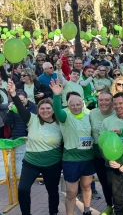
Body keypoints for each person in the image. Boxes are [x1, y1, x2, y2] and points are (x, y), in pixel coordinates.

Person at [7, 81, 62, 215]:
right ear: (38, 110)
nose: (45, 110)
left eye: (48, 108)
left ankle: (53, 212)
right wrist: (13, 94)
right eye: (42, 108)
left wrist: (56, 96)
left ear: (53, 109)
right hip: (31, 163)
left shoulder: (61, 123)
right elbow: (20, 108)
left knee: (52, 191)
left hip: (52, 164)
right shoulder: (32, 119)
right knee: (23, 190)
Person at [50, 80, 94, 215]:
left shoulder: (89, 115)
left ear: (82, 104)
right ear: (68, 106)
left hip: (88, 157)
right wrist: (56, 95)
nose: (75, 107)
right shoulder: (65, 116)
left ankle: (87, 210)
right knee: (71, 192)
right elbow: (57, 110)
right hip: (71, 159)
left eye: (78, 104)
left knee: (86, 187)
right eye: (72, 105)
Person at [89, 92, 115, 215]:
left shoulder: (116, 114)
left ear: (112, 101)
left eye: (107, 100)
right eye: (101, 100)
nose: (103, 103)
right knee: (104, 182)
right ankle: (109, 205)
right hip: (97, 154)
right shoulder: (93, 113)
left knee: (114, 183)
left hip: (113, 154)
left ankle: (121, 205)